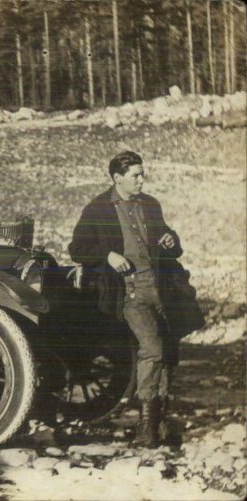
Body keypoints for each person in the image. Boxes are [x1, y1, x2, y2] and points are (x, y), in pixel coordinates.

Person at [68, 151, 201, 447]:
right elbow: (77, 248)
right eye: (135, 175)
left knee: (167, 351)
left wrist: (170, 239)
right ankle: (145, 426)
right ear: (117, 178)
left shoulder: (151, 205)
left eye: (142, 174)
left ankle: (161, 422)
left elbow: (169, 243)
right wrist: (108, 255)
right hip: (128, 292)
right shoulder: (98, 209)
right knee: (152, 349)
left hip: (161, 288)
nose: (141, 180)